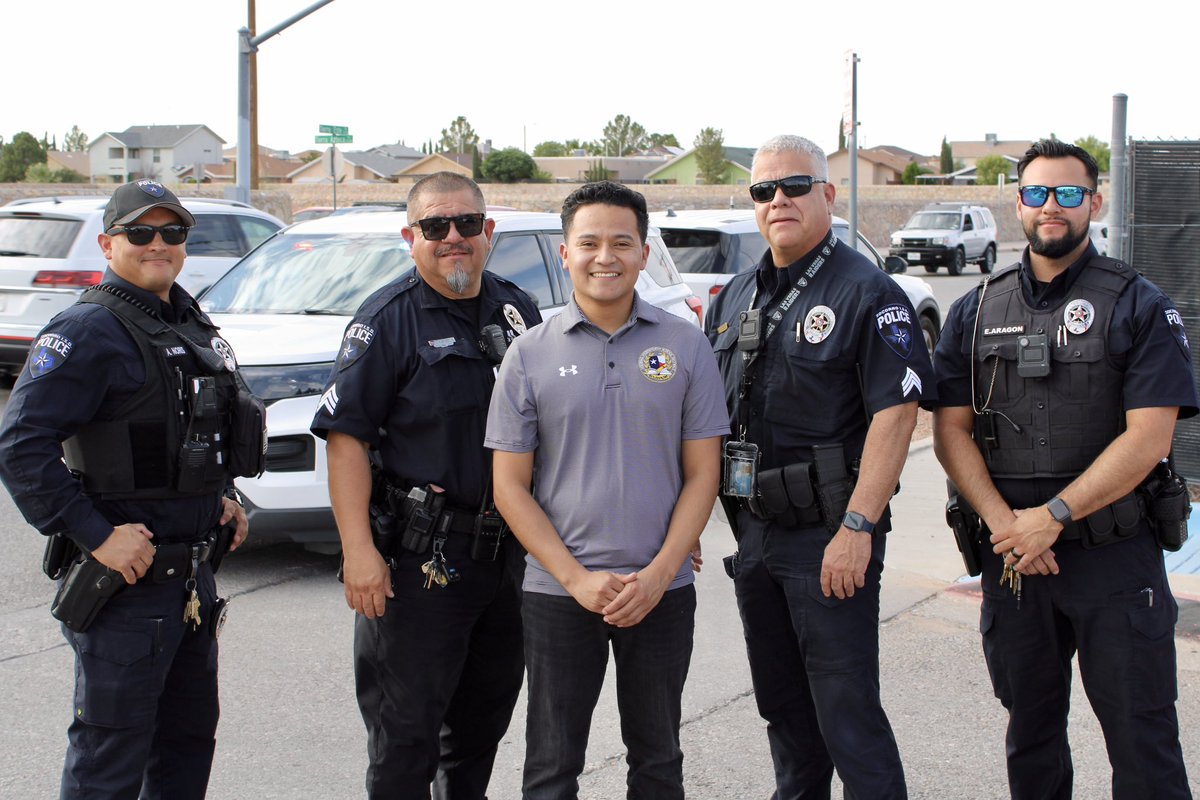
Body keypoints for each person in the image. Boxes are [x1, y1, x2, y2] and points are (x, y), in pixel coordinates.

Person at [931, 139, 1195, 799]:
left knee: (1143, 745)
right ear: (1019, 203)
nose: (1053, 207)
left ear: (1095, 201)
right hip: (1016, 563)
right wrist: (1008, 527)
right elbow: (949, 430)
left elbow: (1149, 438)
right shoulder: (975, 309)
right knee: (1032, 737)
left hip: (1112, 560)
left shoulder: (1139, 304)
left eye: (1069, 193)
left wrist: (1052, 518)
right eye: (1038, 193)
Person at [0, 179, 254, 800]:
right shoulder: (88, 329)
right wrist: (94, 535)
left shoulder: (185, 319)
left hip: (191, 581)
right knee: (110, 761)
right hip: (126, 591)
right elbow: (21, 444)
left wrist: (222, 497)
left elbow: (187, 429)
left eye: (172, 232)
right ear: (110, 242)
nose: (157, 244)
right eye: (140, 233)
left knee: (186, 747)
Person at [706, 135, 933, 799]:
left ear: (828, 196)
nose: (778, 200)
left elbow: (896, 415)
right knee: (783, 713)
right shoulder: (734, 296)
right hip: (756, 536)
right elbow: (708, 419)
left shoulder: (869, 292)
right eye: (763, 191)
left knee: (847, 717)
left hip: (831, 536)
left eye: (795, 186)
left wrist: (859, 525)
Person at [485, 180, 727, 799]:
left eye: (622, 242)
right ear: (564, 253)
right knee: (550, 763)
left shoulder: (685, 345)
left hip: (662, 591)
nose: (605, 256)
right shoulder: (528, 354)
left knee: (657, 758)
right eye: (588, 242)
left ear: (645, 253)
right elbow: (510, 487)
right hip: (558, 592)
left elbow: (704, 471)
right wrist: (575, 579)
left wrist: (659, 572)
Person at [310, 172, 540, 799]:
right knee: (405, 737)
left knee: (480, 728)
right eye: (436, 227)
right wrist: (358, 551)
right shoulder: (386, 321)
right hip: (422, 565)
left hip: (507, 561)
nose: (453, 238)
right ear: (411, 237)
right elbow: (346, 438)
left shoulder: (518, 309)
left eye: (467, 224)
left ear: (488, 232)